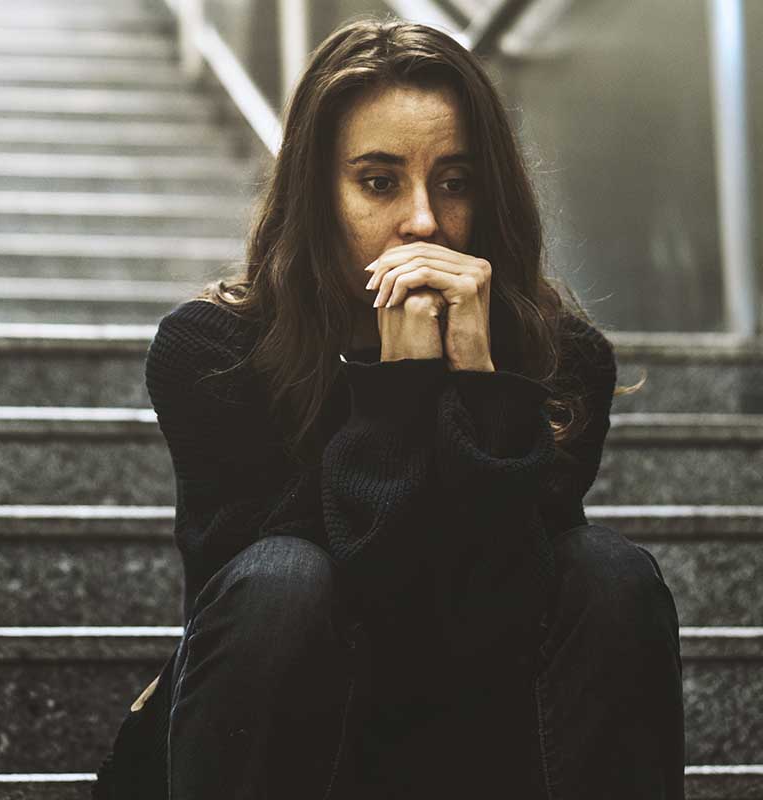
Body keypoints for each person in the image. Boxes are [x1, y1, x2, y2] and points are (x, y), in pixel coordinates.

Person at [92, 15, 684, 800]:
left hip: (482, 739)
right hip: (305, 747)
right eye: (378, 182)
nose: (424, 222)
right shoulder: (212, 352)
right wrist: (400, 383)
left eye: (456, 181)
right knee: (284, 578)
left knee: (611, 576)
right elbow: (336, 594)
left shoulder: (563, 362)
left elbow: (495, 606)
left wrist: (481, 382)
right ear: (317, 193)